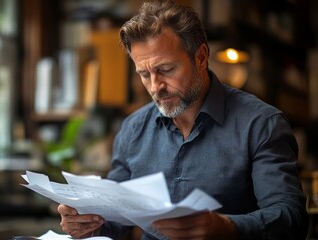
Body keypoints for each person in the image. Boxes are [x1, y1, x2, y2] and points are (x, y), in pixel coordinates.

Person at [57, 0, 309, 239]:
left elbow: (291, 219)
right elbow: (116, 216)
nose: (156, 87)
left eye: (166, 70)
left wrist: (228, 228)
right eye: (145, 74)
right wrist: (89, 223)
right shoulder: (133, 129)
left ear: (200, 57)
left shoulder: (261, 124)